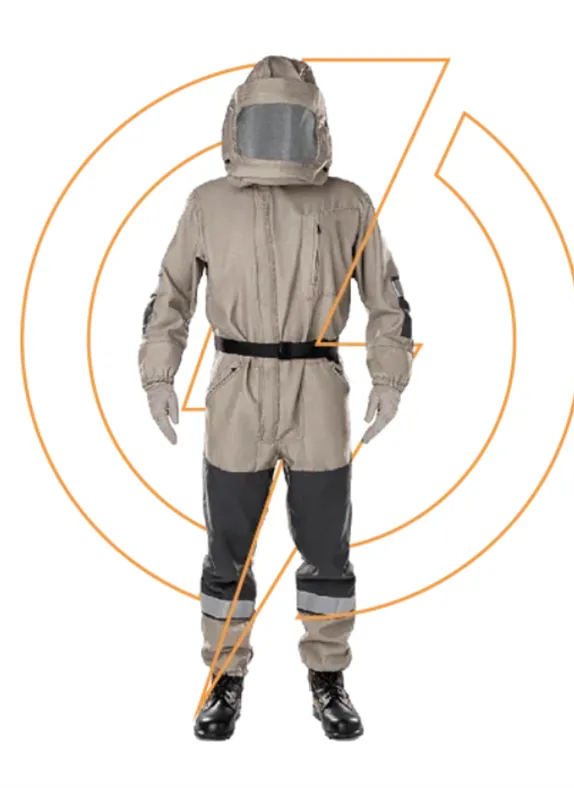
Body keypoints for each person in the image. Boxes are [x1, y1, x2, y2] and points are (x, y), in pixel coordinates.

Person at [138, 55, 414, 741]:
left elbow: (387, 298)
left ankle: (328, 677)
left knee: (326, 548)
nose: (277, 134)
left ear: (315, 124)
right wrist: (159, 375)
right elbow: (171, 295)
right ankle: (224, 678)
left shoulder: (347, 202)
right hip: (237, 387)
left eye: (290, 120)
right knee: (228, 549)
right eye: (266, 118)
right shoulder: (209, 203)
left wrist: (388, 379)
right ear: (238, 121)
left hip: (317, 387)